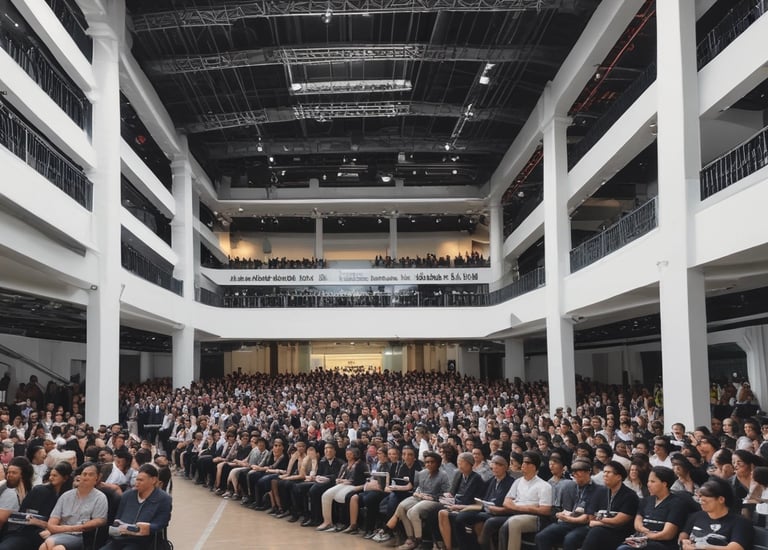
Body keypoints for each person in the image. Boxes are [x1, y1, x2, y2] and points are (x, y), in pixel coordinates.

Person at [0, 461, 73, 550]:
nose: (51, 478)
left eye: (55, 475)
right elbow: (25, 515)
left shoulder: (69, 496)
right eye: (51, 475)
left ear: (65, 478)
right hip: (26, 531)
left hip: (51, 534)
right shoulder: (40, 490)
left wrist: (43, 524)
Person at [99, 463, 173, 550]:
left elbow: (162, 522)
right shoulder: (127, 495)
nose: (137, 483)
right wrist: (118, 527)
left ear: (153, 480)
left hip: (144, 542)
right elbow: (118, 518)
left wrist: (147, 527)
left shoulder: (163, 499)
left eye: (141, 480)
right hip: (119, 539)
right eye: (136, 479)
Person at [39, 462, 108, 550]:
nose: (86, 477)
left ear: (97, 478)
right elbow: (51, 525)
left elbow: (100, 520)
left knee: (56, 547)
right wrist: (68, 528)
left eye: (90, 475)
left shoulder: (100, 497)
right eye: (84, 474)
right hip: (61, 533)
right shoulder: (65, 496)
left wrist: (74, 528)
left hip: (81, 536)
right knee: (44, 547)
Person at [616, 466, 687, 550]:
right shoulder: (646, 501)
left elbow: (668, 534)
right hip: (642, 540)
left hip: (662, 544)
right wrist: (643, 530)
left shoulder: (676, 503)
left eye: (653, 481)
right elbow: (637, 522)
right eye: (648, 481)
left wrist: (649, 536)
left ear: (664, 484)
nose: (648, 484)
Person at [534, 459, 599, 550]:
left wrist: (567, 518)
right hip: (569, 520)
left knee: (570, 539)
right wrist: (561, 515)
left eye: (578, 472)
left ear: (588, 472)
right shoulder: (569, 486)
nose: (575, 475)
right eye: (574, 472)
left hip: (585, 524)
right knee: (541, 536)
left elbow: (588, 517)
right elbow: (566, 509)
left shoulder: (597, 490)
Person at [495, 451, 553, 550]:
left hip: (535, 518)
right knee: (492, 522)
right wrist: (527, 507)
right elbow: (506, 502)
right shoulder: (517, 482)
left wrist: (518, 507)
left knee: (514, 522)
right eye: (523, 462)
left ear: (534, 467)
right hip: (516, 513)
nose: (523, 465)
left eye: (527, 463)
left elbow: (545, 510)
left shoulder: (544, 486)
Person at [679, 477, 753, 550]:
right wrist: (684, 542)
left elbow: (735, 548)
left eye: (706, 498)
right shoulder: (696, 516)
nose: (701, 501)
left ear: (721, 499)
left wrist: (702, 547)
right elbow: (684, 535)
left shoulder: (740, 522)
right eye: (700, 497)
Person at [581, 461, 639, 549]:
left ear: (619, 477)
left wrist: (599, 521)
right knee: (573, 537)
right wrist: (603, 521)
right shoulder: (599, 492)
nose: (605, 475)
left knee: (596, 532)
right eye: (604, 472)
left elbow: (618, 521)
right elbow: (591, 517)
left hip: (619, 533)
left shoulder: (630, 496)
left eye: (608, 472)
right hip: (597, 529)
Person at [0, 457, 35, 531]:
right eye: (8, 472)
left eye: (14, 473)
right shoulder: (9, 491)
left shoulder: (14, 492)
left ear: (23, 475)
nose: (10, 475)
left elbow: (1, 518)